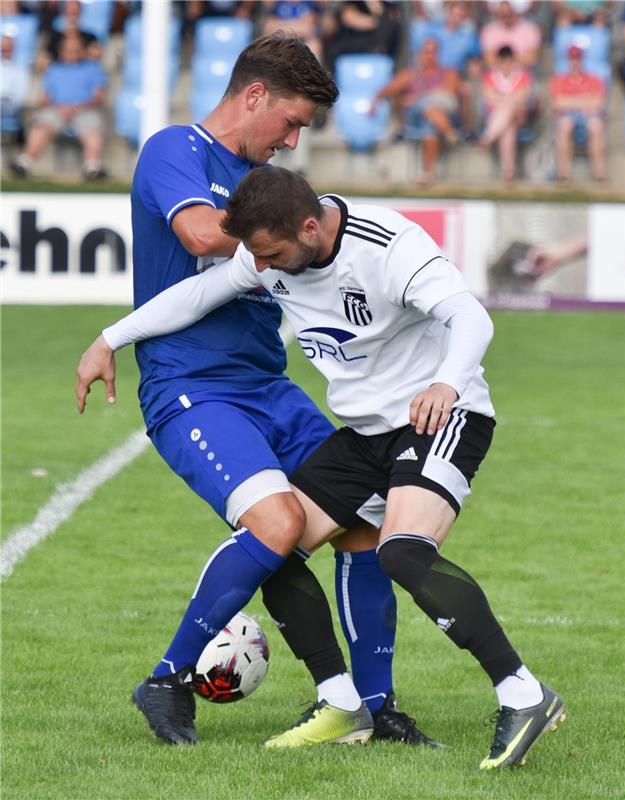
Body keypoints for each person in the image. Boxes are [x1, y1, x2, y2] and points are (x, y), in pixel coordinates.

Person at [86, 165, 566, 766]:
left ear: (310, 228)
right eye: (254, 256)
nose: (260, 267)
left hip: (440, 418)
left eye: (271, 254)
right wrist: (111, 338)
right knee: (273, 546)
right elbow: (200, 293)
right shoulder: (268, 254)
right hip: (363, 435)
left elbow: (471, 317)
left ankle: (523, 693)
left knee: (402, 551)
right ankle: (341, 703)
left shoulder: (388, 244)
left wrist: (446, 382)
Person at [75, 33, 434, 750]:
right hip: (191, 389)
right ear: (254, 96)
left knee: (363, 519)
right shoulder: (174, 150)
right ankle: (169, 678)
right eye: (290, 122)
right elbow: (205, 235)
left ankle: (369, 705)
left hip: (268, 387)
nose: (293, 140)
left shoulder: (271, 186)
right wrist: (285, 229)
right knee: (275, 525)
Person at [9, 32, 107, 179]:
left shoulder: (93, 69)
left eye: (75, 50)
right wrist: (60, 108)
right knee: (41, 127)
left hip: (84, 109)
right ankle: (24, 163)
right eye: (68, 50)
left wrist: (76, 107)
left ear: (82, 50)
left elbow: (99, 98)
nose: (71, 54)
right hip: (57, 110)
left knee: (92, 129)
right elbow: (45, 99)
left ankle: (92, 167)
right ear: (61, 51)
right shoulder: (53, 70)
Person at [371, 36, 461, 185]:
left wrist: (417, 97)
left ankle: (427, 174)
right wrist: (375, 103)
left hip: (436, 115)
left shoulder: (448, 73)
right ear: (419, 54)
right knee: (426, 106)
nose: (430, 56)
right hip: (415, 120)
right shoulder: (410, 75)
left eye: (433, 52)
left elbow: (448, 94)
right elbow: (386, 91)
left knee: (429, 124)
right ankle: (450, 133)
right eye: (426, 52)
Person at [549, 44, 607, 182]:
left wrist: (570, 101)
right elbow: (557, 103)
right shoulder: (559, 80)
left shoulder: (594, 79)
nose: (575, 62)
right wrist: (585, 100)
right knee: (565, 124)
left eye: (577, 58)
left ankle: (599, 173)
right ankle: (564, 173)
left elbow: (599, 102)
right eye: (572, 59)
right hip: (568, 117)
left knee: (596, 125)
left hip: (588, 117)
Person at [479, 44, 534, 183]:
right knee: (508, 130)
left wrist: (503, 99)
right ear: (498, 61)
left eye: (509, 61)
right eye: (503, 61)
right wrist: (509, 99)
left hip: (518, 115)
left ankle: (488, 137)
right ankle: (509, 172)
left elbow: (523, 97)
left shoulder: (523, 76)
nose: (506, 64)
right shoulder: (490, 77)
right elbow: (489, 97)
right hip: (501, 117)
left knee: (509, 110)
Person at [480, 0, 541, 70]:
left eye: (509, 13)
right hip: (497, 76)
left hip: (523, 76)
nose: (506, 16)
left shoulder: (531, 29)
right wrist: (515, 59)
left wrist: (506, 59)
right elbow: (489, 60)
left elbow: (532, 58)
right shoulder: (489, 30)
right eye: (503, 14)